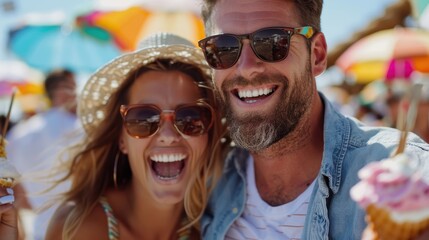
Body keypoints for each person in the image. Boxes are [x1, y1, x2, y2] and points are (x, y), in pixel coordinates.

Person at [197, 0, 429, 239]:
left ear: (317, 55)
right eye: (223, 48)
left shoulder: (410, 174)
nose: (245, 69)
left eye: (272, 42)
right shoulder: (204, 179)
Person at [44, 32, 227, 240]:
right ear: (121, 139)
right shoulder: (76, 228)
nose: (167, 135)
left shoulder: (217, 229)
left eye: (190, 117)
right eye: (143, 118)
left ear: (209, 134)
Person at [6, 68, 81, 240]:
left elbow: (13, 188)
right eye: (74, 87)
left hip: (41, 229)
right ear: (64, 91)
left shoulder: (20, 133)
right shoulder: (80, 128)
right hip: (80, 226)